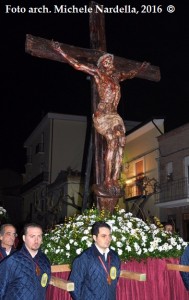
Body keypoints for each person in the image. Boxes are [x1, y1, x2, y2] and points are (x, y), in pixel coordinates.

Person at [54, 43, 149, 197]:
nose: (110, 64)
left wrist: (141, 69)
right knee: (112, 141)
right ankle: (107, 180)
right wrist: (60, 51)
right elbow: (78, 65)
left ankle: (115, 178)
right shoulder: (99, 74)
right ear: (102, 65)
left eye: (111, 62)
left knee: (121, 143)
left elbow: (130, 73)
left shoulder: (117, 76)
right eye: (106, 62)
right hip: (103, 114)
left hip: (115, 114)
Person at [69, 221, 121, 300]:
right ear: (94, 237)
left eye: (109, 236)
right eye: (103, 236)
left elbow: (115, 279)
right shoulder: (85, 258)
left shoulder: (114, 256)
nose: (108, 239)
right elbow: (75, 285)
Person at [0, 223, 51, 300]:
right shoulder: (11, 261)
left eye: (39, 236)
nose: (36, 240)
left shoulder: (45, 260)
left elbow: (44, 286)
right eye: (32, 236)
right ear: (24, 238)